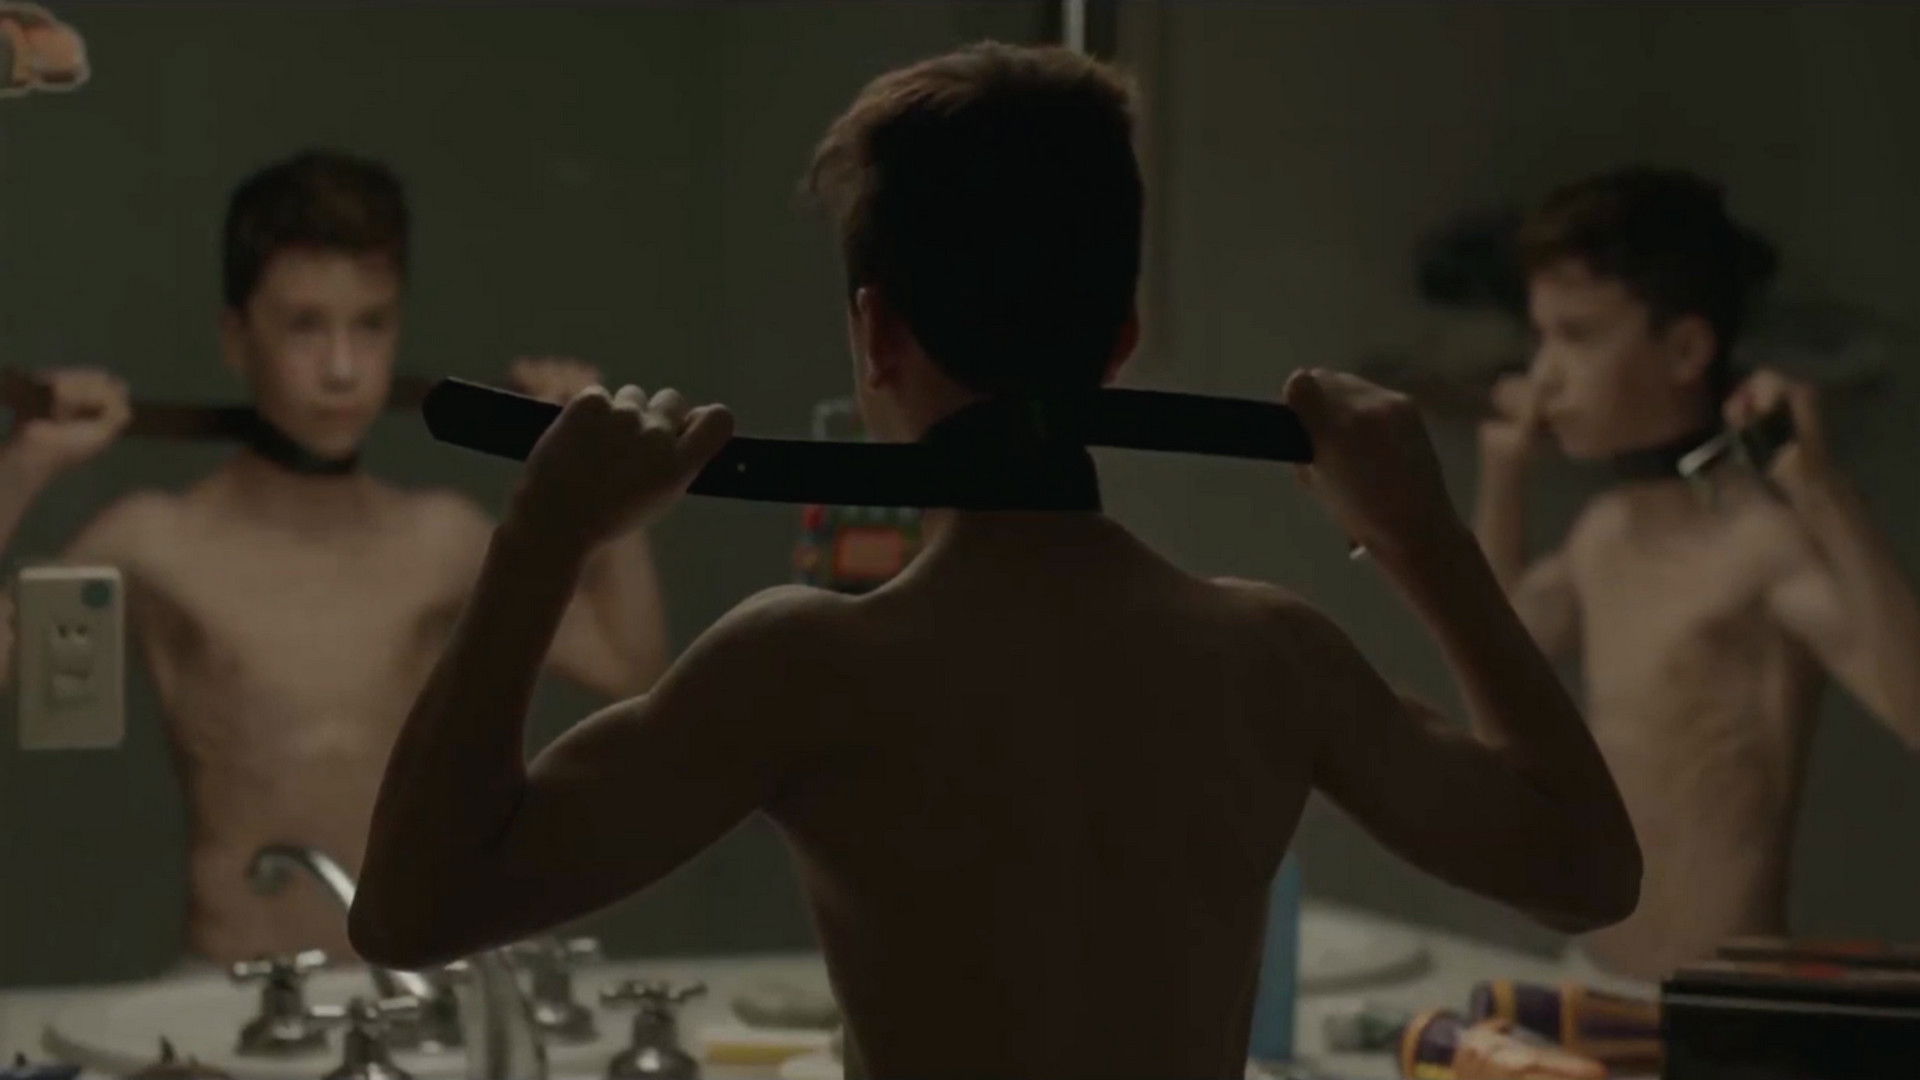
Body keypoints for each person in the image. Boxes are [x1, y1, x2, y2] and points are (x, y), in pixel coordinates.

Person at [350, 44, 1640, 1080]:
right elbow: (1586, 868)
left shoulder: (802, 670)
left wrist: (545, 536)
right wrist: (1422, 534)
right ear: (1122, 335)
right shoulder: (1272, 660)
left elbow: (410, 909)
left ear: (875, 333)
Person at [0, 150, 670, 964]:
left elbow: (630, 668)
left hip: (418, 994)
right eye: (305, 327)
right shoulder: (153, 542)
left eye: (371, 325)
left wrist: (597, 465)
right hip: (234, 990)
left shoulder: (441, 539)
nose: (343, 369)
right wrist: (27, 464)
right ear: (236, 338)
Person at [1474, 167, 1920, 980]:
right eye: (1540, 338)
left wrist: (1821, 492)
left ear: (1684, 350)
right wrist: (1503, 483)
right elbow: (1499, 662)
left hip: (1720, 1006)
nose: (1544, 376)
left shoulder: (1763, 548)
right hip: (1588, 978)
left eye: (1577, 336)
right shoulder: (1601, 534)